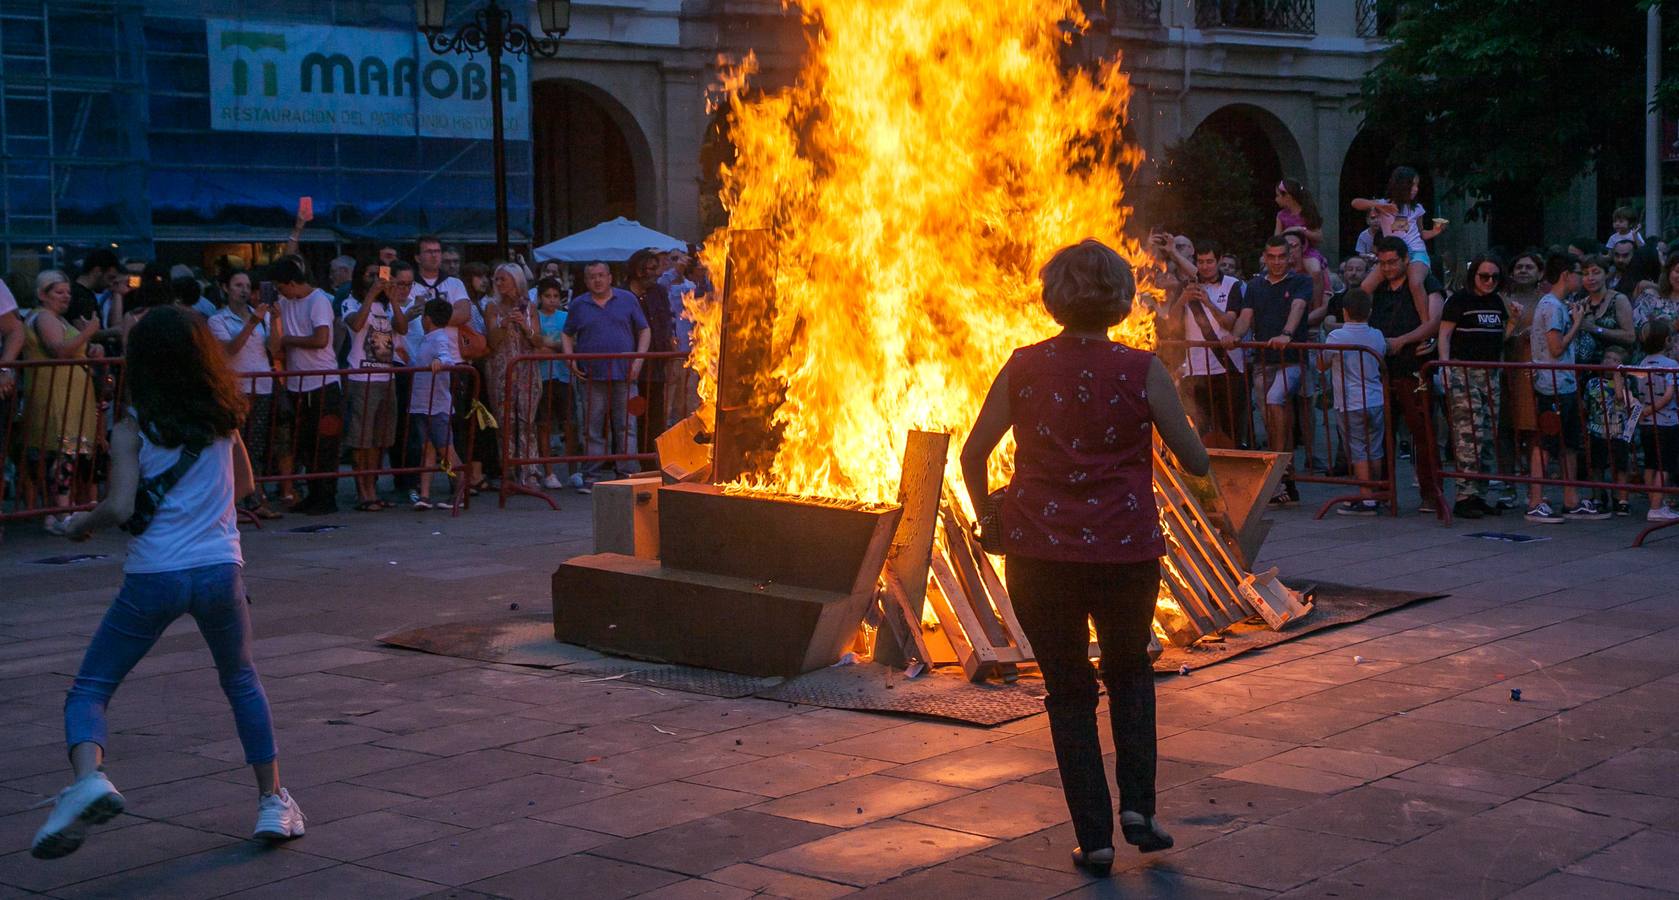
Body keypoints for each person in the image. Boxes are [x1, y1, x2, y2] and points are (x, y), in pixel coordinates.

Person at [960, 239, 1208, 876]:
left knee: (1068, 691)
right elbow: (1196, 459)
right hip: (1126, 552)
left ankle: (1094, 836)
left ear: (1052, 299)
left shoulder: (1023, 366)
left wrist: (989, 513)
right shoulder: (1141, 368)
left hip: (1039, 553)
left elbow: (972, 453)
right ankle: (1141, 812)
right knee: (1129, 672)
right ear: (1122, 300)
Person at [32, 306, 303, 860]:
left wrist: (77, 527)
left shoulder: (132, 425)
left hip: (155, 574)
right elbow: (247, 485)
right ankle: (272, 800)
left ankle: (89, 779)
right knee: (242, 681)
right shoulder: (222, 418)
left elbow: (122, 504)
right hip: (219, 570)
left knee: (91, 687)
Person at [1359, 237, 1445, 513]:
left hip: (1413, 367)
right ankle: (1383, 491)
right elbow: (1359, 297)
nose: (1387, 268)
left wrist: (1403, 340)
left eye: (1392, 262)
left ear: (1406, 259)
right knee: (1382, 434)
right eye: (1382, 263)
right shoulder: (1380, 286)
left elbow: (1433, 321)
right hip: (1382, 369)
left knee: (1422, 432)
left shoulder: (1426, 282)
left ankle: (1431, 493)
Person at [1226, 235, 1312, 505]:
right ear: (1265, 257)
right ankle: (1284, 480)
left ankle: (1282, 475)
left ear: (1290, 257)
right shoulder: (1254, 285)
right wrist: (1235, 336)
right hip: (1264, 361)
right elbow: (1245, 317)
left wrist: (1287, 333)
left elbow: (1298, 307)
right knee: (1271, 418)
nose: (1276, 262)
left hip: (1291, 360)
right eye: (1271, 257)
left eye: (1281, 257)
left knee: (1276, 403)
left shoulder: (1301, 281)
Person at [21, 271, 103, 534]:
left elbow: (69, 348)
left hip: (68, 393)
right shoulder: (44, 317)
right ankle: (61, 512)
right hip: (58, 394)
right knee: (63, 452)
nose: (66, 296)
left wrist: (89, 348)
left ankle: (59, 511)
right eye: (59, 292)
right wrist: (88, 333)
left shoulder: (54, 318)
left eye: (67, 292)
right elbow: (59, 350)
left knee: (65, 452)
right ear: (43, 294)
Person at [563, 261, 651, 492]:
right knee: (593, 426)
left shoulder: (627, 299)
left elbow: (644, 329)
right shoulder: (578, 304)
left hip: (625, 374)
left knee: (626, 425)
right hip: (592, 376)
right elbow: (567, 333)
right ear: (586, 280)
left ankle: (627, 473)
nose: (597, 280)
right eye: (592, 276)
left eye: (601, 275)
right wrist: (570, 358)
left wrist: (639, 359)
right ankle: (592, 475)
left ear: (610, 277)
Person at [1438, 255, 1513, 519]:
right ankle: (1464, 494)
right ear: (1474, 277)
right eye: (1484, 276)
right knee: (1467, 433)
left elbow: (1502, 335)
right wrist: (1446, 368)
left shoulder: (1497, 302)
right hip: (1464, 371)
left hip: (1490, 372)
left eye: (1494, 277)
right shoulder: (1458, 300)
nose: (1490, 281)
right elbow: (1444, 335)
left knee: (1488, 434)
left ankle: (1479, 493)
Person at [269, 257, 342, 515]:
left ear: (291, 283)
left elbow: (321, 338)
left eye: (281, 287)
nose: (280, 293)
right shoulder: (285, 303)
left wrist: (289, 339)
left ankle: (326, 496)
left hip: (322, 381)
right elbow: (275, 346)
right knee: (306, 445)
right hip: (299, 383)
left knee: (325, 444)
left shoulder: (319, 300)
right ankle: (314, 494)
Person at [207, 270, 281, 520]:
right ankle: (235, 501)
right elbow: (230, 350)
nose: (244, 290)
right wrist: (252, 323)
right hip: (236, 388)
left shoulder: (260, 317)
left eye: (247, 285)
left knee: (257, 445)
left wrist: (275, 320)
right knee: (234, 447)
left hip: (261, 386)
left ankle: (255, 498)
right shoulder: (218, 320)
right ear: (226, 288)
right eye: (238, 285)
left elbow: (274, 349)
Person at [1526, 254, 1594, 523]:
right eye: (1579, 272)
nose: (1583, 278)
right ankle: (1535, 500)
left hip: (1563, 383)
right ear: (1566, 274)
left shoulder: (1558, 304)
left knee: (1569, 443)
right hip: (1551, 384)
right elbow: (1555, 347)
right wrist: (1577, 323)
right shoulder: (1552, 306)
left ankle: (1570, 499)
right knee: (1546, 442)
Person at [342, 261, 410, 510]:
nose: (376, 279)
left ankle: (374, 487)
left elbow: (402, 328)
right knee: (362, 439)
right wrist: (370, 295)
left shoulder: (386, 306)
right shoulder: (350, 302)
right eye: (371, 275)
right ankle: (363, 492)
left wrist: (392, 299)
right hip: (362, 378)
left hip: (387, 377)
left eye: (378, 275)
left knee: (380, 438)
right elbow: (356, 324)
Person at [1168, 241, 1246, 446]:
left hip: (1228, 367)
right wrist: (1183, 300)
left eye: (1210, 261)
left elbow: (1229, 323)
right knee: (1198, 428)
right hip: (1195, 369)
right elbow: (1171, 324)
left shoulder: (1232, 285)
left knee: (1231, 427)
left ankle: (1235, 471)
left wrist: (1208, 302)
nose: (1205, 266)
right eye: (1201, 262)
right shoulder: (1185, 287)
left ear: (1219, 261)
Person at [1352, 166, 1446, 338]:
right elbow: (1355, 203)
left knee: (1416, 282)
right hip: (1391, 253)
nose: (1416, 189)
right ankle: (1361, 325)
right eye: (1413, 185)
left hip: (1415, 251)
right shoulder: (1383, 205)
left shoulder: (1417, 208)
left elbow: (1421, 233)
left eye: (1417, 185)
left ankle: (1425, 328)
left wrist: (1436, 232)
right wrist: (1378, 205)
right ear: (1403, 185)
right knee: (1365, 286)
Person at [1318, 289, 1387, 515]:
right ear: (1370, 311)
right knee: (1375, 448)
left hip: (1350, 401)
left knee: (1357, 449)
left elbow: (1321, 364)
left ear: (1344, 312)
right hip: (1376, 398)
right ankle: (1376, 492)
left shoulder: (1337, 337)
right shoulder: (1377, 335)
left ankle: (1366, 498)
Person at [484, 263, 545, 489]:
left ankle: (530, 471)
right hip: (502, 369)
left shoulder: (529, 307)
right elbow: (492, 340)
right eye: (497, 280)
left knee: (527, 420)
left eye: (503, 279)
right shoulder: (492, 307)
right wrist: (504, 323)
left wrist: (525, 326)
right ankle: (508, 470)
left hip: (526, 368)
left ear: (516, 281)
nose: (499, 284)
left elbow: (538, 340)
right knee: (505, 421)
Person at [409, 299, 465, 510]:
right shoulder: (428, 339)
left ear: (427, 319)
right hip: (422, 403)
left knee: (446, 450)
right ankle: (424, 495)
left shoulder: (439, 338)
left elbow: (447, 358)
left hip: (436, 404)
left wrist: (440, 363)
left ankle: (460, 489)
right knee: (428, 450)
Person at [625, 248, 676, 448]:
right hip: (631, 365)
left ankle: (650, 458)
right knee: (631, 414)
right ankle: (626, 458)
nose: (657, 273)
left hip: (656, 364)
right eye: (652, 268)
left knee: (655, 414)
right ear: (638, 270)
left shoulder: (659, 292)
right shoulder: (623, 294)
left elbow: (665, 321)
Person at [1582, 344, 1638, 516]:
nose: (1610, 362)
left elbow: (1621, 399)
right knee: (1597, 466)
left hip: (1619, 431)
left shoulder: (1626, 383)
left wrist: (1618, 378)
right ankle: (1598, 496)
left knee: (1621, 466)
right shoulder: (1592, 382)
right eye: (1607, 358)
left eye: (1615, 360)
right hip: (1597, 430)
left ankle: (1621, 499)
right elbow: (1586, 405)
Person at [533, 276, 576, 489]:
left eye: (555, 296)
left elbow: (572, 343)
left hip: (564, 376)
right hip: (542, 377)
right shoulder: (535, 318)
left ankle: (573, 471)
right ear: (540, 297)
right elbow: (535, 346)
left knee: (569, 424)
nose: (551, 300)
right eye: (547, 296)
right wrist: (559, 346)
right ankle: (548, 472)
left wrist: (550, 345)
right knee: (544, 426)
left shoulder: (565, 317)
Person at [1634, 322, 1679, 522]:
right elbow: (1670, 394)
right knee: (1664, 465)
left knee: (1651, 462)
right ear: (1667, 341)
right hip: (1666, 421)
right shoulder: (1671, 366)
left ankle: (1655, 501)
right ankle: (1656, 506)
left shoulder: (1643, 363)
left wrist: (1646, 410)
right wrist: (1653, 408)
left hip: (1646, 422)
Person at [1571, 254, 1636, 367]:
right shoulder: (1581, 303)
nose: (1590, 278)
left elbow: (1630, 336)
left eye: (1596, 273)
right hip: (1587, 367)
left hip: (1615, 368)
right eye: (1586, 274)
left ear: (1606, 274)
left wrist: (1596, 329)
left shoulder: (1619, 300)